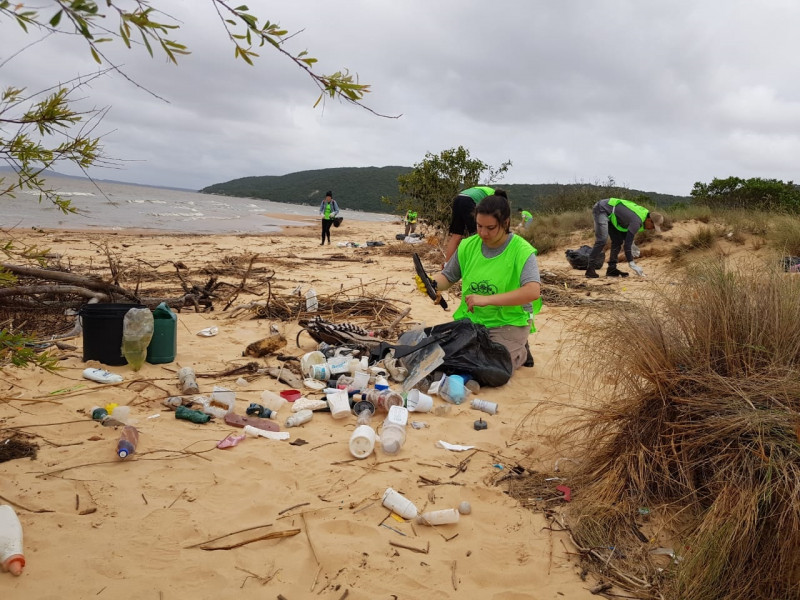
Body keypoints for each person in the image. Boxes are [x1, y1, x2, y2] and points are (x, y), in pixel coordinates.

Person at [429, 194, 541, 371]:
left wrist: (487, 299)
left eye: (490, 228)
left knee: (491, 367)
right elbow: (448, 277)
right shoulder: (468, 245)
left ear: (505, 223)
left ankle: (520, 350)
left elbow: (532, 292)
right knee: (446, 356)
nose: (483, 233)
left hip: (509, 321)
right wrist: (432, 283)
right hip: (473, 320)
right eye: (479, 226)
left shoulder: (522, 250)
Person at [585, 198, 663, 278]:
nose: (652, 229)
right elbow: (627, 245)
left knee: (617, 241)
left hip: (612, 214)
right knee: (602, 240)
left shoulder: (643, 216)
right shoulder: (637, 221)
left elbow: (626, 235)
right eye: (653, 226)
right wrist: (631, 263)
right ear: (649, 220)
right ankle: (590, 269)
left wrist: (632, 244)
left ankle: (612, 269)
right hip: (602, 208)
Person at [443, 186, 507, 263]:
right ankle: (477, 263)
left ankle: (447, 265)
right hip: (469, 201)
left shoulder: (486, 190)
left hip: (459, 198)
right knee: (477, 236)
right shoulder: (494, 197)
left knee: (456, 235)